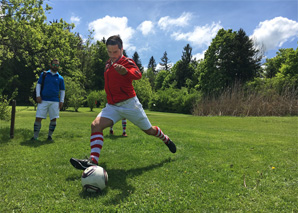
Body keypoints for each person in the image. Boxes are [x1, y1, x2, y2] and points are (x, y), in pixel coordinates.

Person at [70, 35, 176, 170]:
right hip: (112, 106)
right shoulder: (107, 64)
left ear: (122, 49)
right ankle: (93, 161)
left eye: (115, 52)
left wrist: (126, 72)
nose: (112, 55)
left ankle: (166, 139)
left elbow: (138, 74)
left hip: (130, 104)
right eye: (109, 52)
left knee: (149, 130)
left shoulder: (127, 61)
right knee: (95, 125)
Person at [31, 59, 65, 141]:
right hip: (43, 100)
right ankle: (35, 137)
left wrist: (62, 101)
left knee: (53, 118)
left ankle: (49, 136)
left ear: (58, 66)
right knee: (38, 118)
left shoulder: (60, 78)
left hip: (55, 101)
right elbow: (38, 85)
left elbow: (62, 90)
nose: (55, 66)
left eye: (57, 65)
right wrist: (38, 96)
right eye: (54, 64)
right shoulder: (44, 74)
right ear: (50, 65)